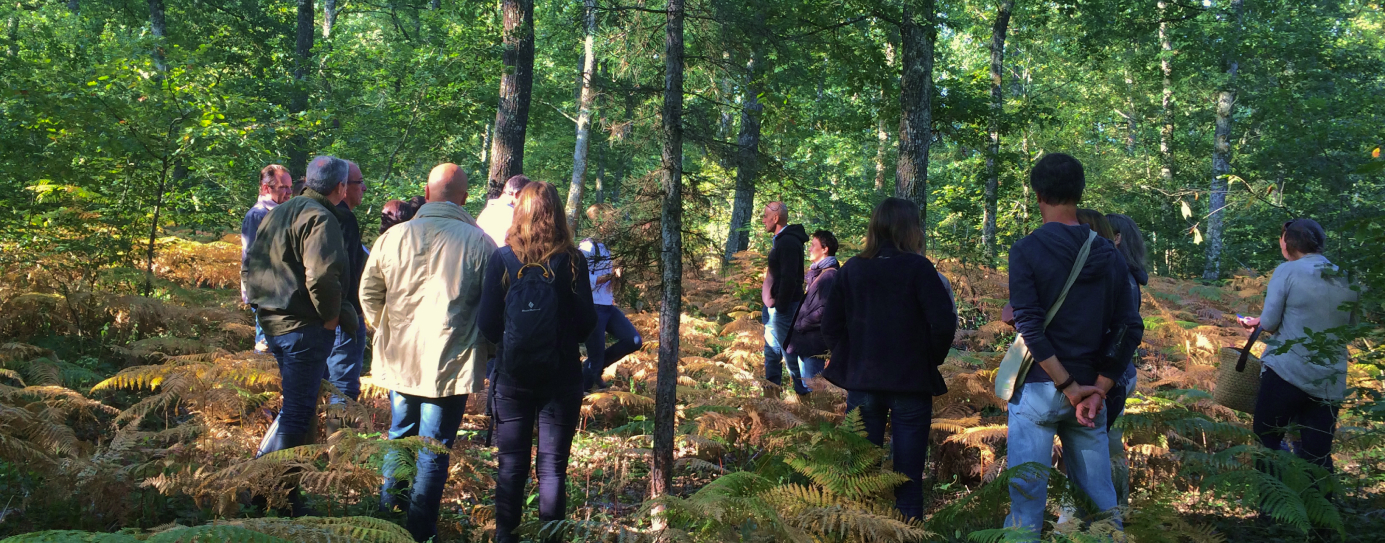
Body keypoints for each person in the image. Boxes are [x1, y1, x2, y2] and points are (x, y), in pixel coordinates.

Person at [1004, 153, 1142, 539]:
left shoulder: (1027, 249)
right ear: (1079, 193)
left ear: (1038, 195)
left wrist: (1069, 386)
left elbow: (1030, 326)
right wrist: (1100, 387)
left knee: (1026, 502)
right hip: (1090, 396)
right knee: (1102, 503)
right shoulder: (1109, 254)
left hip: (1038, 389)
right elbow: (1129, 328)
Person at [360, 164, 494, 542]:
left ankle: (387, 522)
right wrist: (484, 346)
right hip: (450, 361)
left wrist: (385, 329)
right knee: (433, 449)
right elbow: (492, 308)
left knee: (400, 436)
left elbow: (369, 293)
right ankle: (420, 532)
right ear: (466, 199)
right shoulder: (480, 243)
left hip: (400, 356)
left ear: (427, 191)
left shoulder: (392, 238)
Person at [820, 198, 957, 521]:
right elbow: (943, 322)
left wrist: (851, 360)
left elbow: (830, 325)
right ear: (912, 230)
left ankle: (859, 532)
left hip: (864, 382)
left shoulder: (853, 268)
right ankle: (907, 534)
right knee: (907, 480)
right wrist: (928, 359)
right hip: (911, 383)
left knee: (859, 479)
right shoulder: (919, 268)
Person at [477, 181, 597, 543]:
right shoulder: (572, 260)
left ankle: (505, 536)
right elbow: (587, 323)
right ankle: (551, 538)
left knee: (511, 464)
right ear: (557, 214)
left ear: (520, 212)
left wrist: (515, 341)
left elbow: (486, 323)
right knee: (552, 468)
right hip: (561, 377)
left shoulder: (502, 258)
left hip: (512, 377)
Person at [242, 155, 358, 516]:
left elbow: (252, 266)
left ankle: (277, 493)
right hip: (302, 329)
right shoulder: (320, 217)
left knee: (296, 409)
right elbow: (322, 277)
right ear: (340, 188)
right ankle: (266, 495)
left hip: (276, 323)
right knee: (297, 414)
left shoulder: (280, 210)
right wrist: (330, 317)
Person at [1238, 219, 1357, 472]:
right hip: (1329, 378)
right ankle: (1320, 508)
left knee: (1268, 439)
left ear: (1287, 243)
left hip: (1286, 372)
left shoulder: (1287, 271)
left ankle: (1275, 507)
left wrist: (1260, 321)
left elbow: (1269, 322)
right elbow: (1350, 328)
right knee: (1318, 455)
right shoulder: (1345, 276)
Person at [579, 204, 643, 392]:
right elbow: (580, 279)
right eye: (609, 219)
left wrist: (618, 273)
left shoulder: (608, 247)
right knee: (596, 357)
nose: (613, 224)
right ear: (597, 222)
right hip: (593, 308)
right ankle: (582, 396)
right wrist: (608, 276)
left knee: (634, 341)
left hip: (608, 306)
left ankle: (593, 368)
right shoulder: (587, 247)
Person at [324, 161, 368, 406]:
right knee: (343, 387)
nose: (363, 188)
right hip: (342, 317)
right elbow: (338, 273)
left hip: (332, 316)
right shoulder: (342, 218)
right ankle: (339, 444)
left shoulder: (318, 213)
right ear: (342, 186)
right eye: (359, 183)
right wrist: (343, 314)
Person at [242, 164, 294, 353]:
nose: (289, 192)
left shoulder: (282, 212)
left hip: (282, 295)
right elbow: (250, 257)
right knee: (266, 351)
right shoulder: (258, 215)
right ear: (266, 188)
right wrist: (254, 296)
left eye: (290, 187)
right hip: (266, 296)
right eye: (283, 188)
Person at [761, 202, 810, 395]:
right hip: (775, 309)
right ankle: (771, 400)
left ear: (775, 218)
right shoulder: (780, 240)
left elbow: (790, 278)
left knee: (790, 355)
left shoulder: (788, 242)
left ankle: (805, 398)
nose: (763, 220)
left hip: (785, 308)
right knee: (771, 354)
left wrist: (779, 307)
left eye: (766, 216)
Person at [786, 229, 840, 392]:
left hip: (814, 343)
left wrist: (802, 323)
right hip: (806, 342)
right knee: (808, 386)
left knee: (814, 390)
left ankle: (817, 417)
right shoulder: (817, 273)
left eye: (813, 245)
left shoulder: (829, 276)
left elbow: (825, 310)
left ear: (825, 249)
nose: (809, 249)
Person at [476, 175, 533, 247]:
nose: (528, 201)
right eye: (527, 197)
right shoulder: (513, 216)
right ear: (517, 194)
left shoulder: (485, 213)